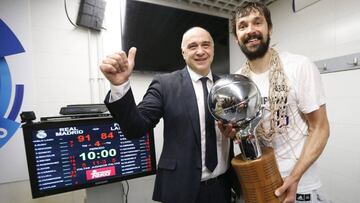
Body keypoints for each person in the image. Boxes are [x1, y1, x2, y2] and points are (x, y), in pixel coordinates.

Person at [100, 27, 238, 203]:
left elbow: (238, 128)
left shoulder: (227, 86)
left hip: (222, 188)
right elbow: (136, 128)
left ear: (212, 49)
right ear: (183, 52)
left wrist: (235, 132)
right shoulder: (165, 85)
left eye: (206, 45)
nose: (200, 51)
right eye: (192, 46)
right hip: (180, 191)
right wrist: (120, 86)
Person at [222, 2, 330, 203]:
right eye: (243, 25)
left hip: (300, 188)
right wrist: (231, 132)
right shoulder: (237, 82)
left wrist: (294, 178)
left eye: (257, 22)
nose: (251, 30)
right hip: (259, 185)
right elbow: (241, 133)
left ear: (269, 28)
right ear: (237, 37)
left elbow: (320, 128)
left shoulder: (299, 66)